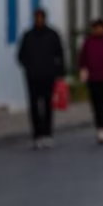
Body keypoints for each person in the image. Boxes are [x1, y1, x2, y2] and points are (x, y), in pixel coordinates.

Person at [17, 9, 65, 149]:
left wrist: (59, 73)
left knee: (48, 106)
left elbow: (60, 54)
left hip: (48, 76)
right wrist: (29, 67)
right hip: (32, 77)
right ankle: (36, 134)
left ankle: (47, 133)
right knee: (34, 106)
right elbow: (21, 55)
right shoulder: (28, 36)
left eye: (41, 18)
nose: (39, 20)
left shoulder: (52, 35)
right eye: (36, 18)